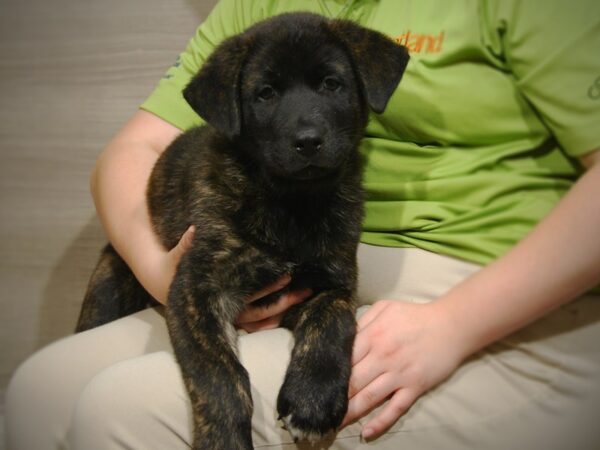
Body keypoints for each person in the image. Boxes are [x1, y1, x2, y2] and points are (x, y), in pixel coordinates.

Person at [6, 0, 600, 449]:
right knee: (39, 389)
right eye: (269, 94)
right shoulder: (256, 10)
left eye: (330, 85)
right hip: (320, 266)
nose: (307, 127)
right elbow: (129, 153)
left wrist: (453, 325)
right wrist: (163, 272)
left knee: (119, 409)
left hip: (501, 289)